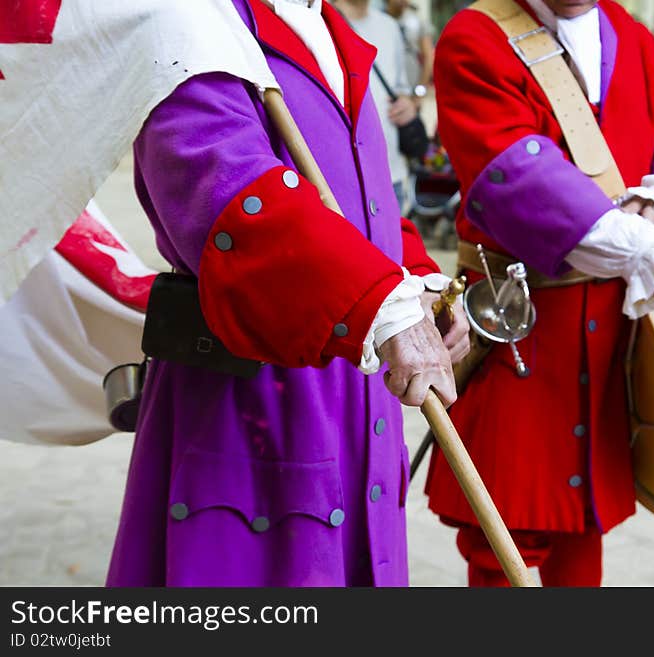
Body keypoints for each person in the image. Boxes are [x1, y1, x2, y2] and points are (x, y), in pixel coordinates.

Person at [106, 0, 469, 587]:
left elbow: (364, 207)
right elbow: (224, 196)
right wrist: (386, 306)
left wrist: (420, 285)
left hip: (357, 399)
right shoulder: (195, 21)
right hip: (252, 411)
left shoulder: (329, 27)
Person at [424, 0, 654, 586]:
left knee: (583, 536)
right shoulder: (477, 36)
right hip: (521, 332)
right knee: (504, 546)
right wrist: (642, 246)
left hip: (608, 335)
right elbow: (515, 176)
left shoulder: (627, 33)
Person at [334, 0, 420, 213]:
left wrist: (408, 104)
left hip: (391, 175)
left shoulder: (389, 26)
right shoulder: (318, 21)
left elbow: (400, 88)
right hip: (341, 179)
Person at [385, 0, 435, 95]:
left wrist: (420, 91)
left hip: (411, 89)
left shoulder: (417, 20)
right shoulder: (379, 20)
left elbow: (428, 56)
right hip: (385, 87)